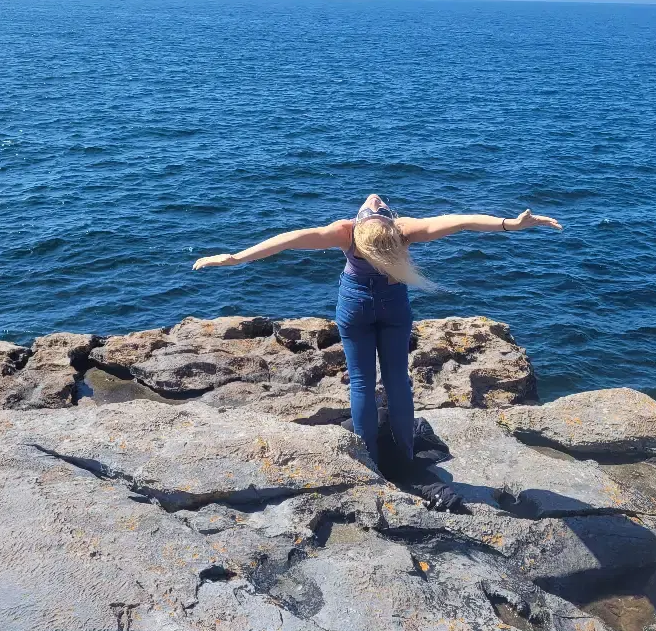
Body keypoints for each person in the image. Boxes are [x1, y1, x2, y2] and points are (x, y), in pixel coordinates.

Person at [193, 195, 561, 485]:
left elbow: (288, 241)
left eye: (376, 208)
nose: (374, 199)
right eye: (378, 207)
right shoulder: (403, 230)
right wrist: (510, 225)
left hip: (355, 306)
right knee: (398, 380)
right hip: (393, 306)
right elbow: (460, 221)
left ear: (364, 225)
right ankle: (405, 454)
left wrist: (235, 259)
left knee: (362, 384)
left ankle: (368, 458)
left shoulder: (345, 232)